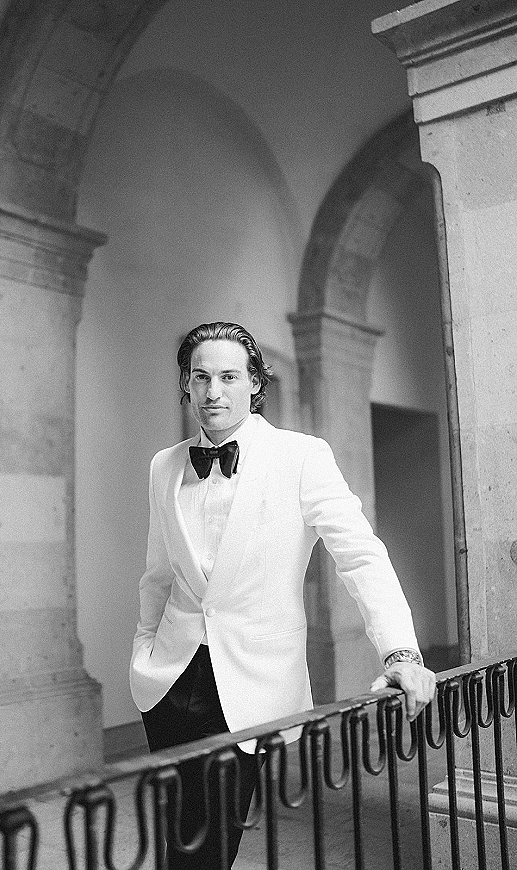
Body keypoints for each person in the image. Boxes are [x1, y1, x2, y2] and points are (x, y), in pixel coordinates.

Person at [130, 321, 436, 869]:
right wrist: (143, 654)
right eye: (200, 378)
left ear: (254, 384)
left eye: (228, 376)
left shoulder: (301, 457)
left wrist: (401, 653)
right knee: (178, 830)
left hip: (249, 682)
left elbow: (362, 556)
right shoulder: (165, 465)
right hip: (169, 679)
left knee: (209, 844)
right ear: (187, 385)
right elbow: (157, 575)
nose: (212, 392)